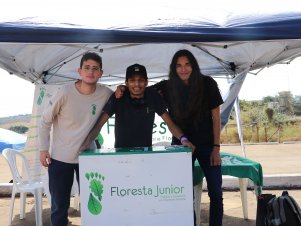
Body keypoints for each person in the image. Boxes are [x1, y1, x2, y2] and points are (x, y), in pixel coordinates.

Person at [116, 50, 224, 226]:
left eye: (187, 64)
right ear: (174, 68)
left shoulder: (208, 84)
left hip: (207, 145)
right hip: (181, 146)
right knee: (184, 193)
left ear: (194, 65)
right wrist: (121, 88)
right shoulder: (166, 86)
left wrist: (216, 148)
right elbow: (139, 88)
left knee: (216, 193)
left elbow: (217, 119)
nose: (183, 69)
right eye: (178, 65)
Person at [39, 52, 113, 226]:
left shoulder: (105, 93)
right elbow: (45, 121)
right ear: (79, 71)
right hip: (60, 159)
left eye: (95, 69)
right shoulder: (64, 92)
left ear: (101, 73)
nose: (91, 72)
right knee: (59, 207)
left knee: (94, 206)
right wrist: (43, 149)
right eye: (87, 68)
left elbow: (121, 97)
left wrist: (123, 90)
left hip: (89, 159)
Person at [80, 63, 195, 152]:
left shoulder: (152, 96)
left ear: (146, 82)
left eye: (140, 80)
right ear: (126, 82)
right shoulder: (118, 97)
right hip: (121, 154)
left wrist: (183, 139)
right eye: (132, 81)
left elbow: (170, 124)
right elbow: (99, 124)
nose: (136, 84)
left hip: (145, 153)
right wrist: (87, 142)